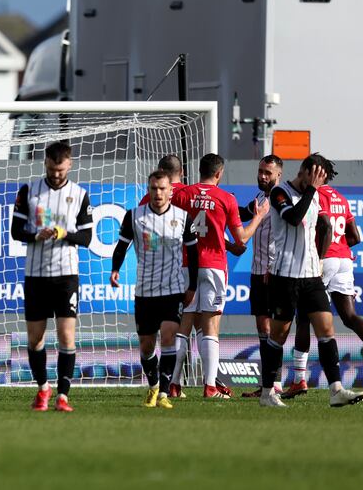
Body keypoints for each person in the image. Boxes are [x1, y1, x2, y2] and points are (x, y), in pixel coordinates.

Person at [259, 153, 363, 407]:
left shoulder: (316, 195)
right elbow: (294, 218)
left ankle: (336, 389)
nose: (318, 182)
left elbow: (325, 226)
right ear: (304, 171)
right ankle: (266, 393)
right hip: (285, 275)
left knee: (327, 329)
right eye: (316, 176)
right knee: (279, 335)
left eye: (322, 179)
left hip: (311, 275)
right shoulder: (278, 193)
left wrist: (320, 258)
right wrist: (312, 191)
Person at [171, 153, 269, 399]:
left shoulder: (184, 194)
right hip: (214, 266)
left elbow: (183, 228)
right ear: (219, 173)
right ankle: (210, 386)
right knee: (211, 326)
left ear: (199, 170)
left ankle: (173, 385)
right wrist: (258, 217)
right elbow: (242, 238)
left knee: (184, 324)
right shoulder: (226, 198)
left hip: (187, 264)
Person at [10, 141, 94, 412]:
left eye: (60, 169)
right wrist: (36, 235)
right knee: (35, 339)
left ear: (69, 164)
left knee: (66, 336)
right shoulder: (29, 191)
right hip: (35, 275)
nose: (56, 173)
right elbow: (15, 230)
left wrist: (64, 233)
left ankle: (63, 396)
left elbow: (87, 237)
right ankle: (43, 389)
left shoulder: (80, 194)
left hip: (66, 275)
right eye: (51, 168)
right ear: (44, 162)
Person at [111, 170, 198, 409]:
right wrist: (115, 269)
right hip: (145, 292)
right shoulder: (134, 216)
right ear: (148, 190)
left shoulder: (183, 218)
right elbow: (121, 247)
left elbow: (193, 253)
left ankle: (165, 394)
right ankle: (153, 386)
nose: (157, 193)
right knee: (147, 346)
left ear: (171, 191)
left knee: (169, 336)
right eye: (153, 188)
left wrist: (192, 285)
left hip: (172, 289)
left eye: (162, 188)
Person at [237, 155, 285, 398]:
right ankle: (268, 383)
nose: (263, 176)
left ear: (279, 175)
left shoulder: (280, 199)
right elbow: (243, 214)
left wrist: (274, 266)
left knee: (271, 327)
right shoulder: (260, 198)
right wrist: (220, 206)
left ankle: (275, 383)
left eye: (268, 172)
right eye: (260, 171)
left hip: (272, 272)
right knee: (262, 327)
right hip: (257, 271)